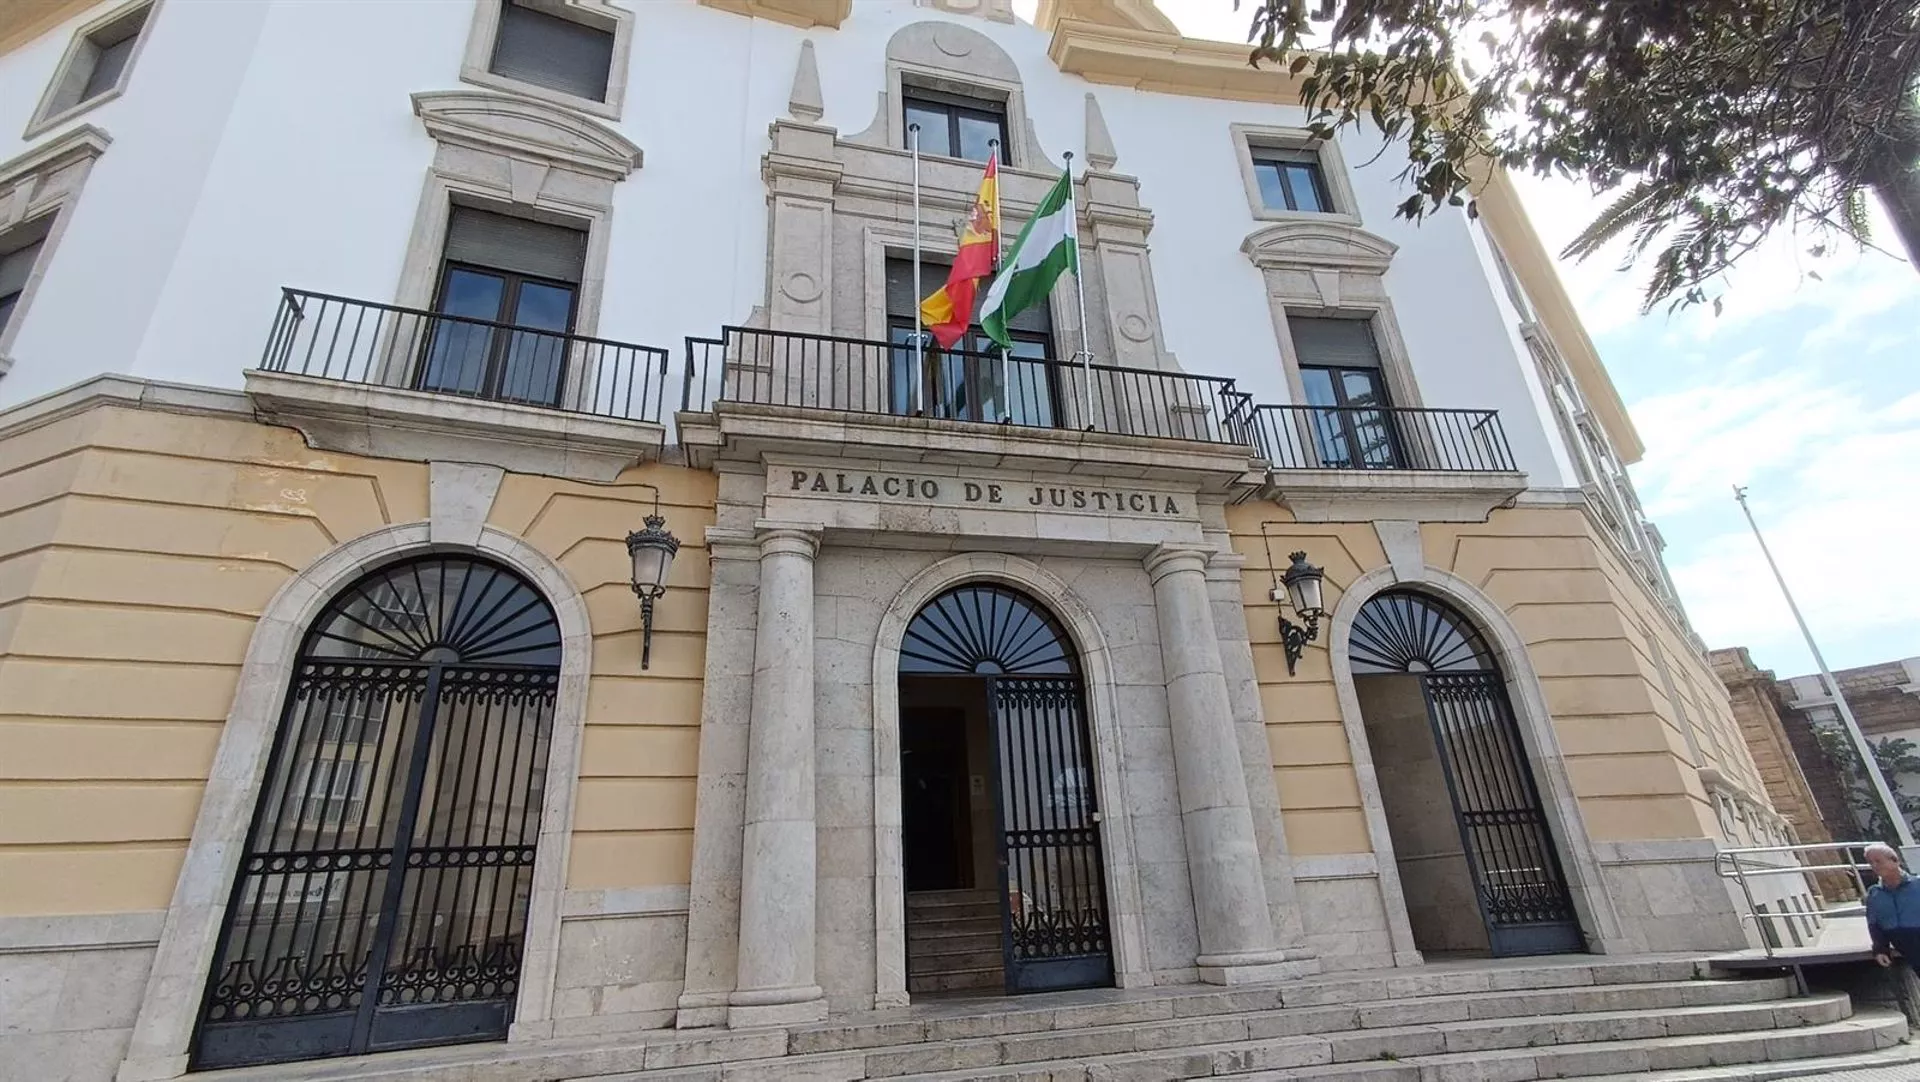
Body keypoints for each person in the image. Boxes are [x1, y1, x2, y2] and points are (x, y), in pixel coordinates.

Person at [1864, 842, 1920, 971]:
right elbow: (1874, 924)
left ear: (1895, 861)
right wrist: (1880, 949)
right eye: (1870, 862)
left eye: (1878, 861)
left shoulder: (1917, 885)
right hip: (1910, 951)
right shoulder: (1874, 893)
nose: (1874, 866)